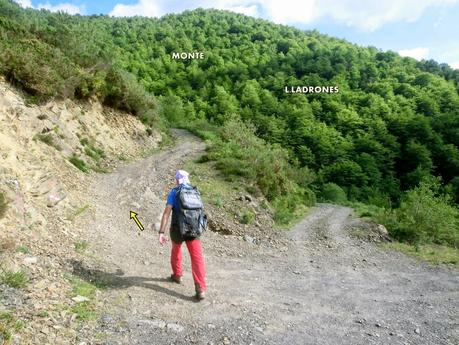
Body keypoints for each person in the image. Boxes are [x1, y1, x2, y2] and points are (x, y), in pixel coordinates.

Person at [158, 170, 206, 300]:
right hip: (194, 229)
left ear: (177, 179)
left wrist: (161, 232)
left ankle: (177, 275)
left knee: (176, 250)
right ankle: (200, 289)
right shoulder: (195, 191)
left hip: (177, 229)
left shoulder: (174, 192)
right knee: (197, 258)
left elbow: (166, 213)